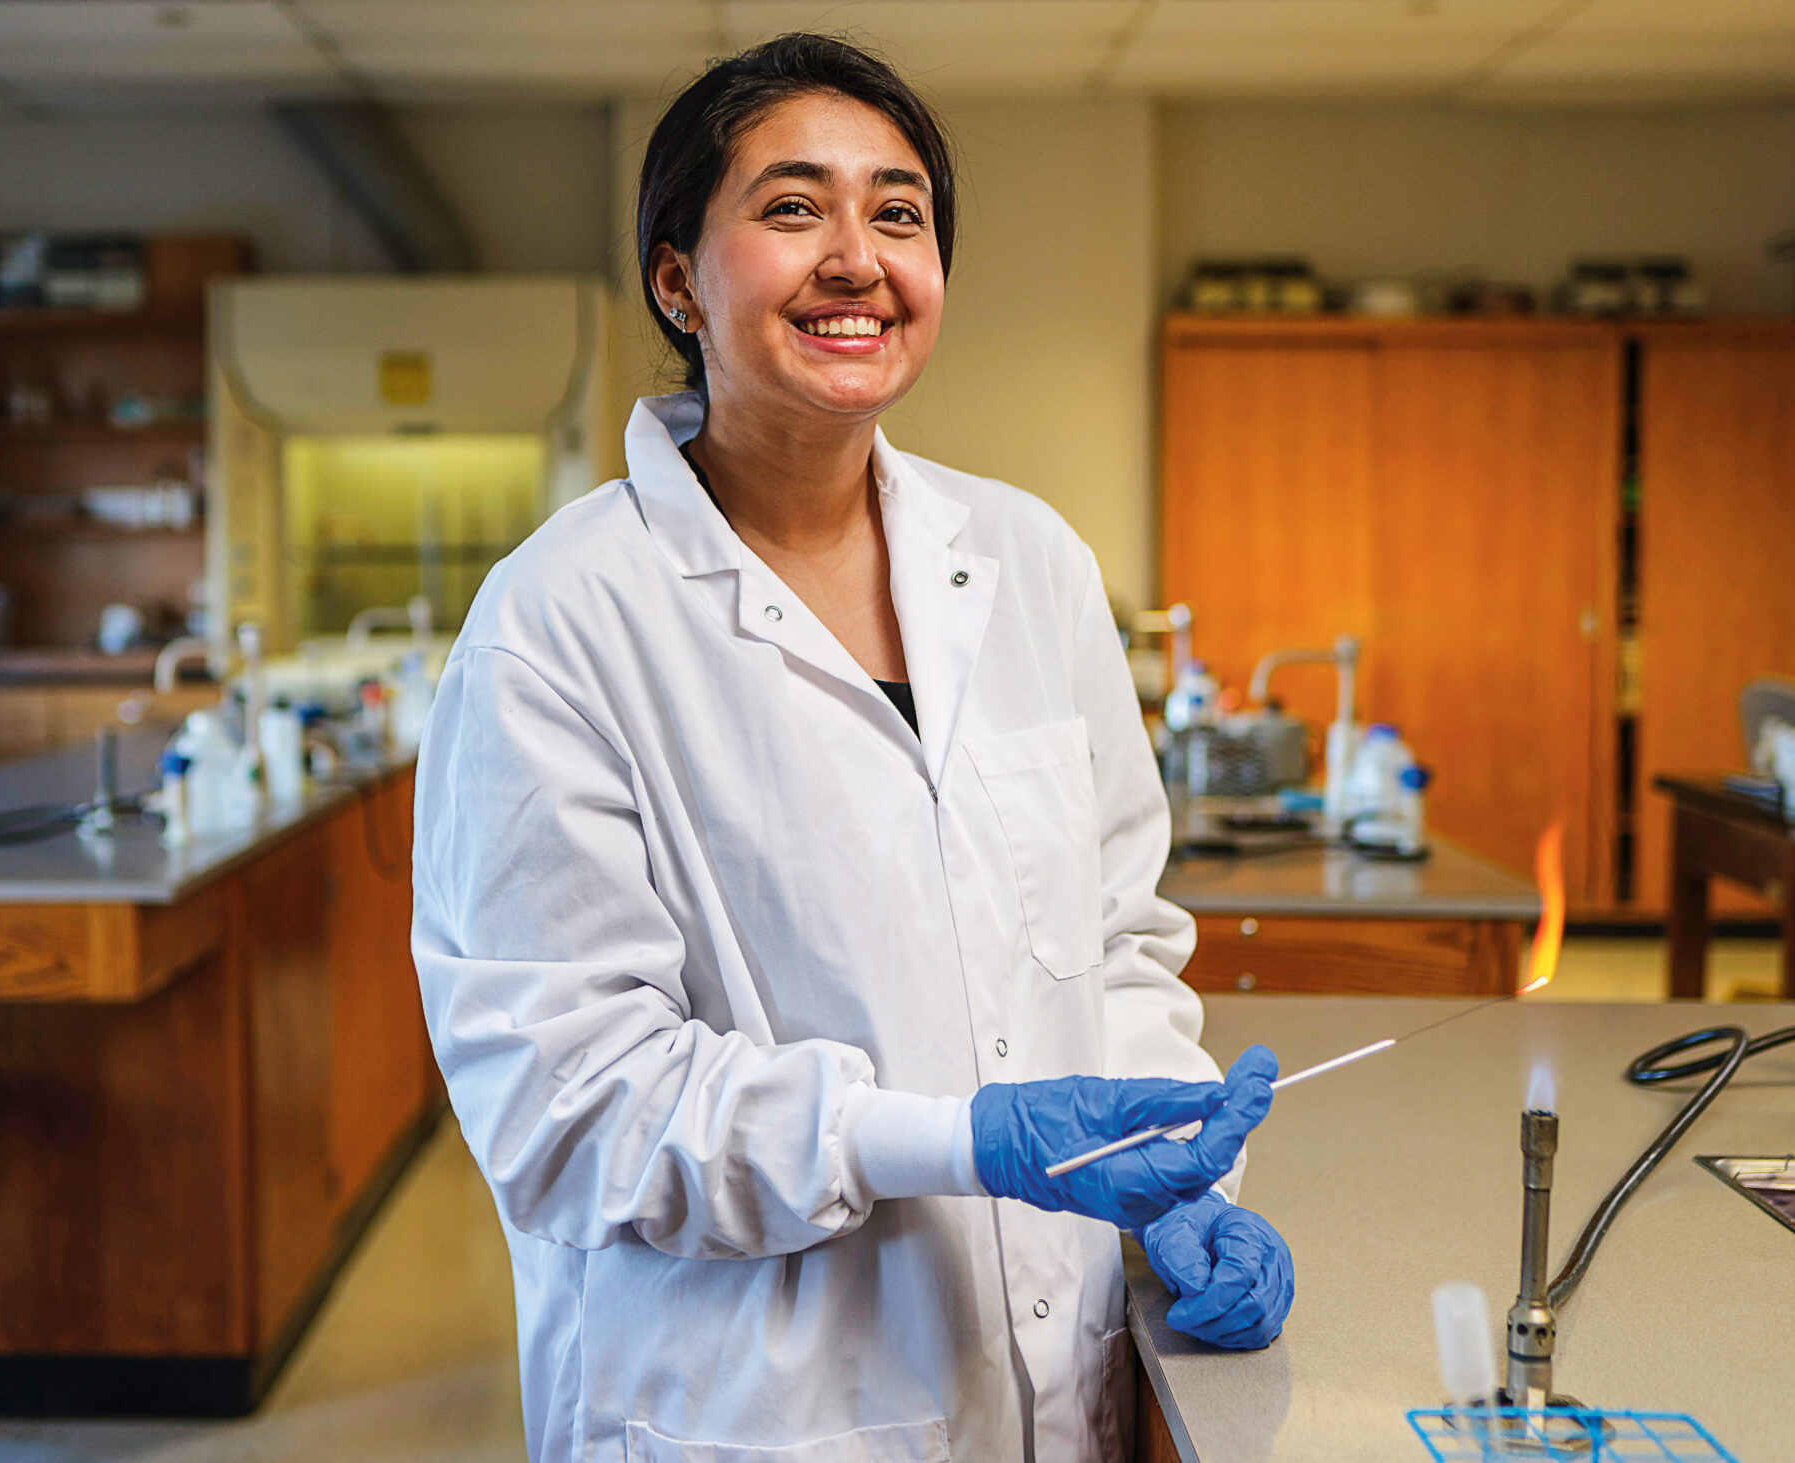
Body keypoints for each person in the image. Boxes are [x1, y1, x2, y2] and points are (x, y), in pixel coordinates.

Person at [412, 33, 1295, 1462]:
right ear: (676, 279)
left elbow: (1117, 946)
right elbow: (569, 1103)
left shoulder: (1029, 562)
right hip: (751, 1403)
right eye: (790, 207)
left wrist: (1173, 1183)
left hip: (1053, 1384)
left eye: (898, 213)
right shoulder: (559, 624)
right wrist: (959, 1142)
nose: (856, 255)